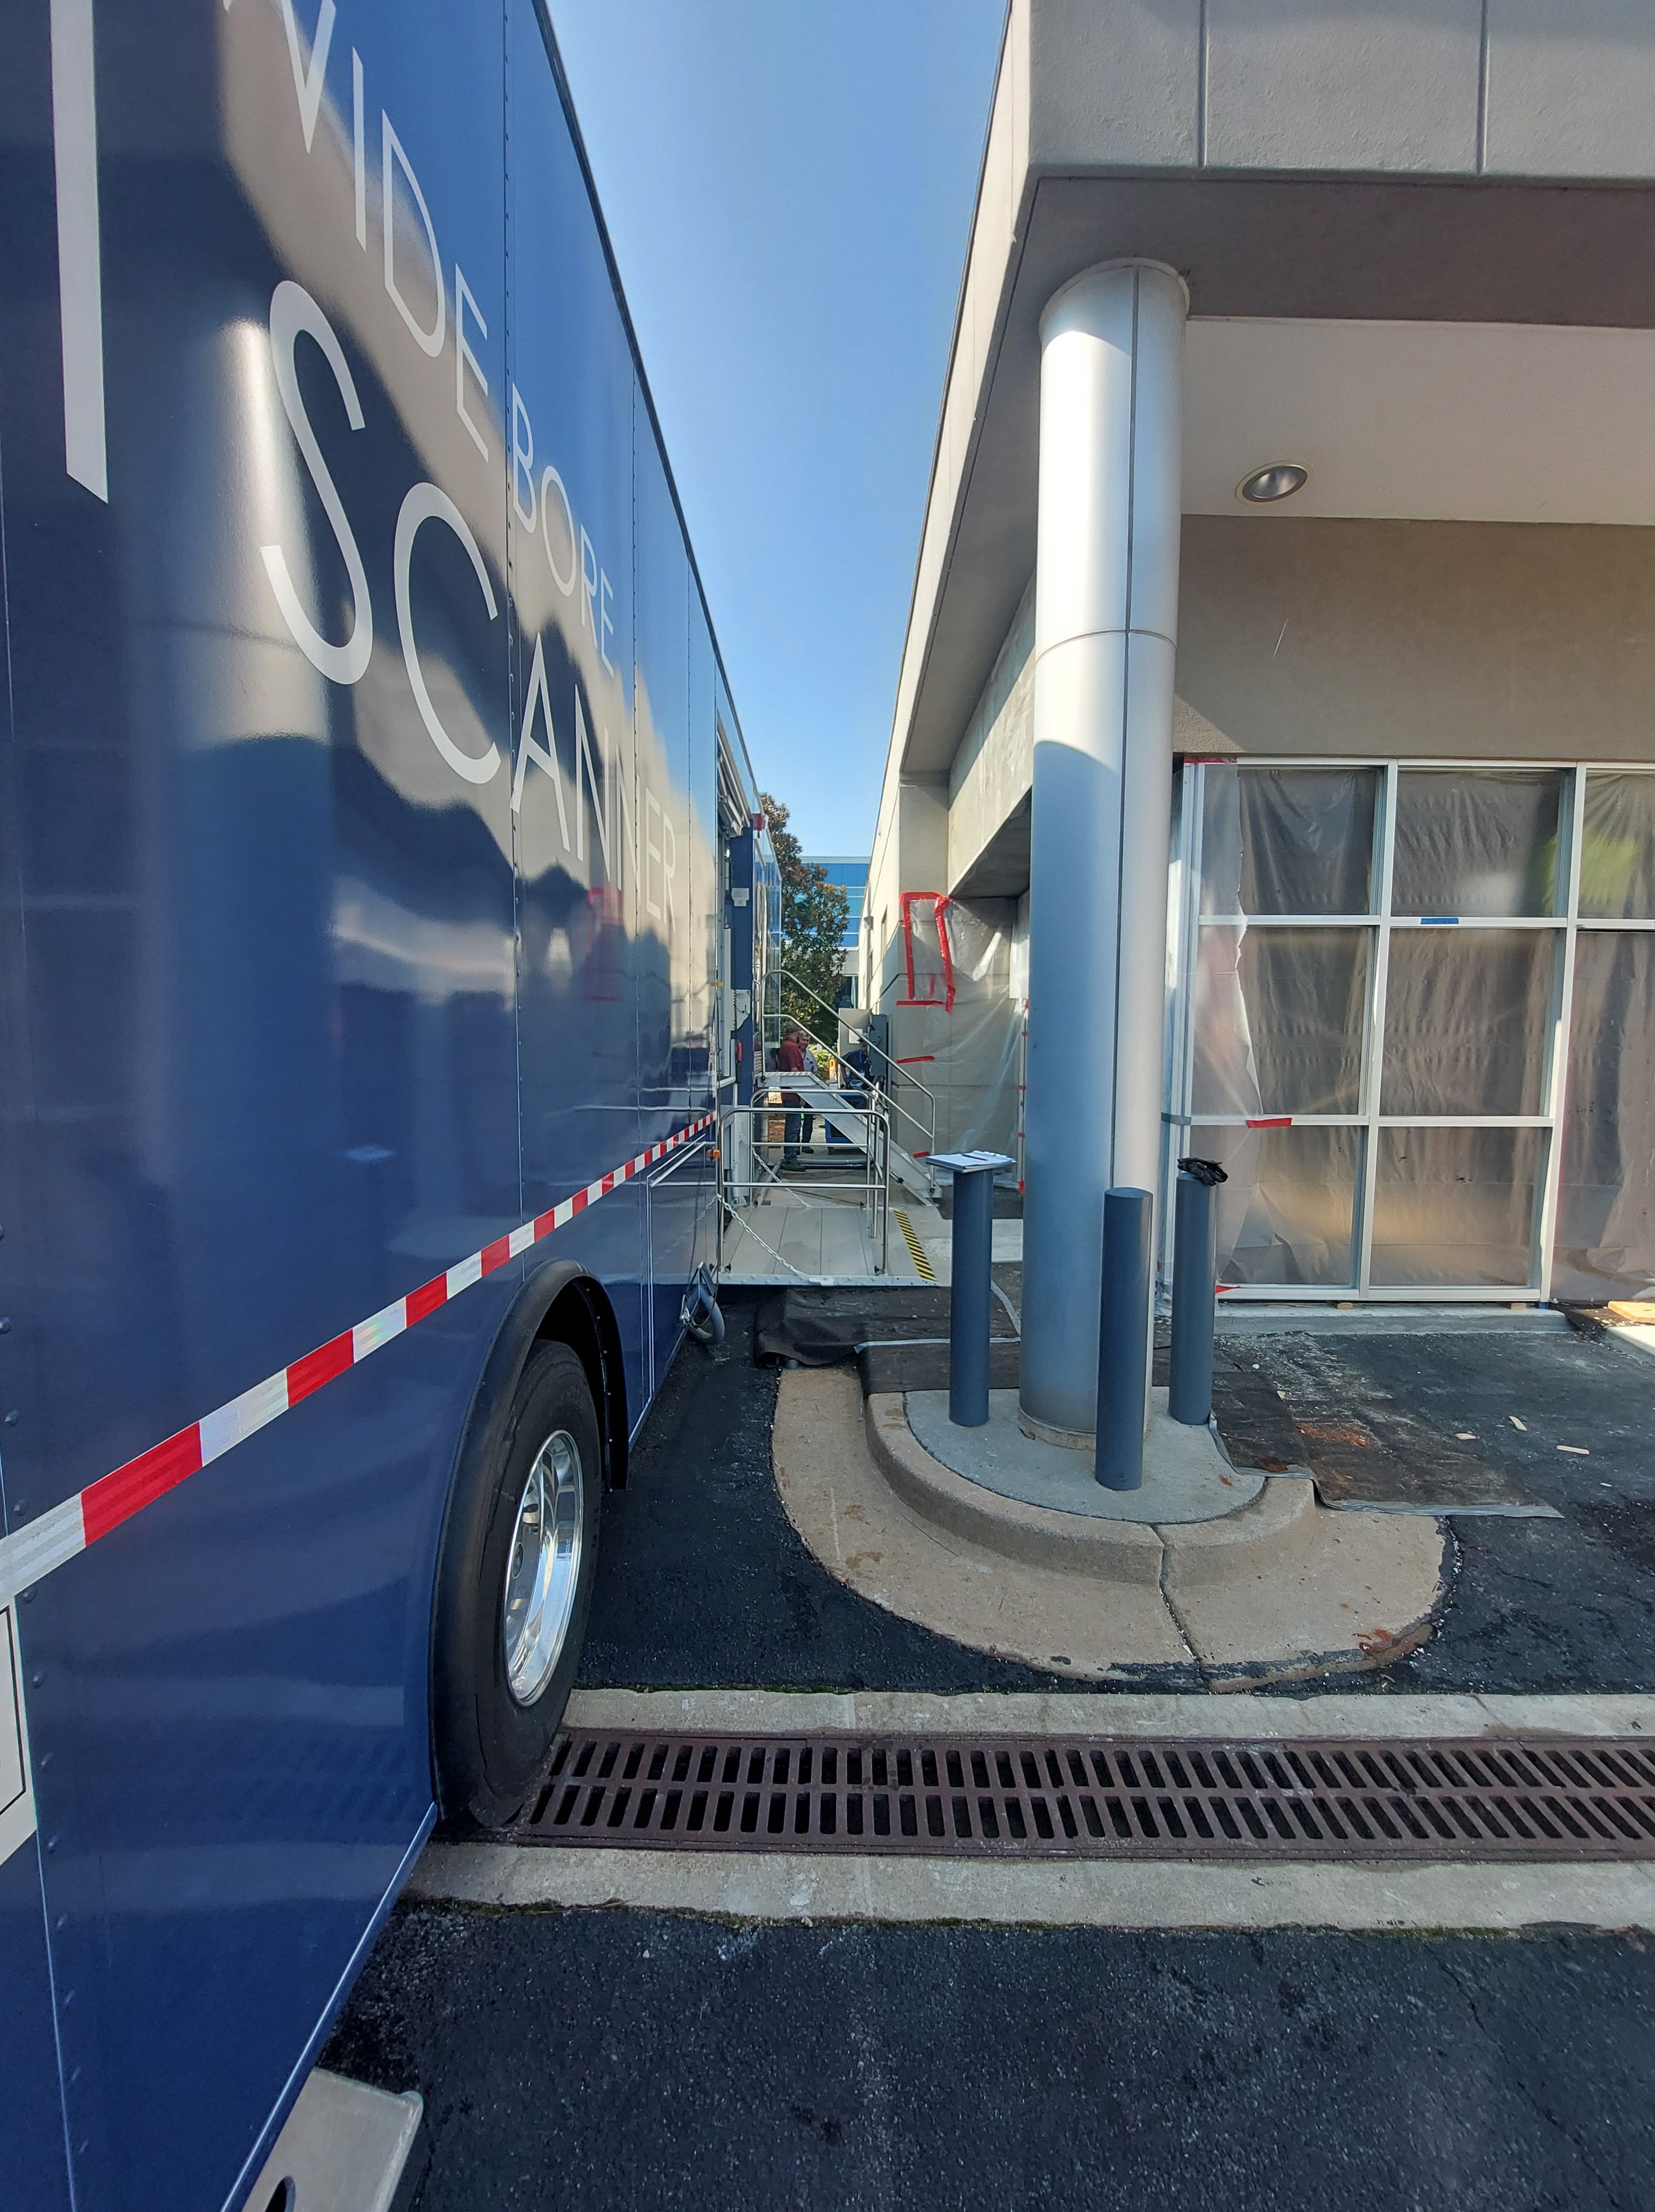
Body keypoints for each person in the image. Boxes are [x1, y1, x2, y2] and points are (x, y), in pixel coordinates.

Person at [773, 1027, 813, 1165]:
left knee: (793, 1125)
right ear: (797, 1034)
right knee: (794, 1127)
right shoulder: (792, 1048)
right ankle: (791, 1158)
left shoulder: (786, 1046)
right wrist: (802, 1094)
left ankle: (790, 1155)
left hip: (788, 1093)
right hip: (793, 1094)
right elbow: (795, 1072)